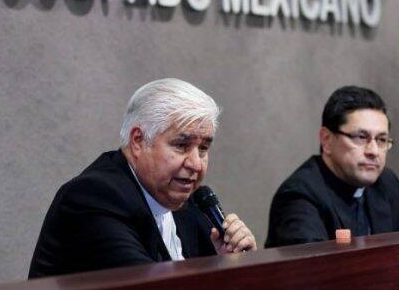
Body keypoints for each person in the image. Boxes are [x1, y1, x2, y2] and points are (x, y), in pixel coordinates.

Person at [29, 78, 257, 278]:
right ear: (138, 141)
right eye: (181, 145)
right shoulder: (94, 198)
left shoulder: (186, 204)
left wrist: (227, 263)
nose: (196, 164)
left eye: (203, 148)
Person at [265, 86, 399, 248]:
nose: (373, 151)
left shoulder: (385, 183)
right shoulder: (299, 197)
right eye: (361, 137)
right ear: (327, 140)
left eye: (381, 139)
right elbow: (314, 270)